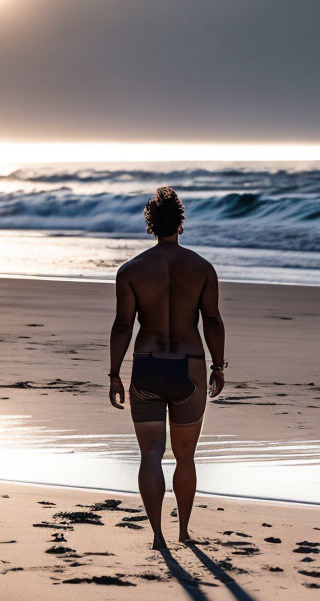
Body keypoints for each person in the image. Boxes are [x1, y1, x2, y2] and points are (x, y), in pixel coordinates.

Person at [108, 186, 226, 549]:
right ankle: (184, 532)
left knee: (150, 455)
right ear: (181, 223)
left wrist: (114, 373)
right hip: (188, 367)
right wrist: (218, 366)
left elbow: (124, 326)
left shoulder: (131, 270)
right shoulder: (202, 268)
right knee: (185, 457)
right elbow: (213, 321)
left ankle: (158, 535)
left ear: (150, 224)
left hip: (146, 367)